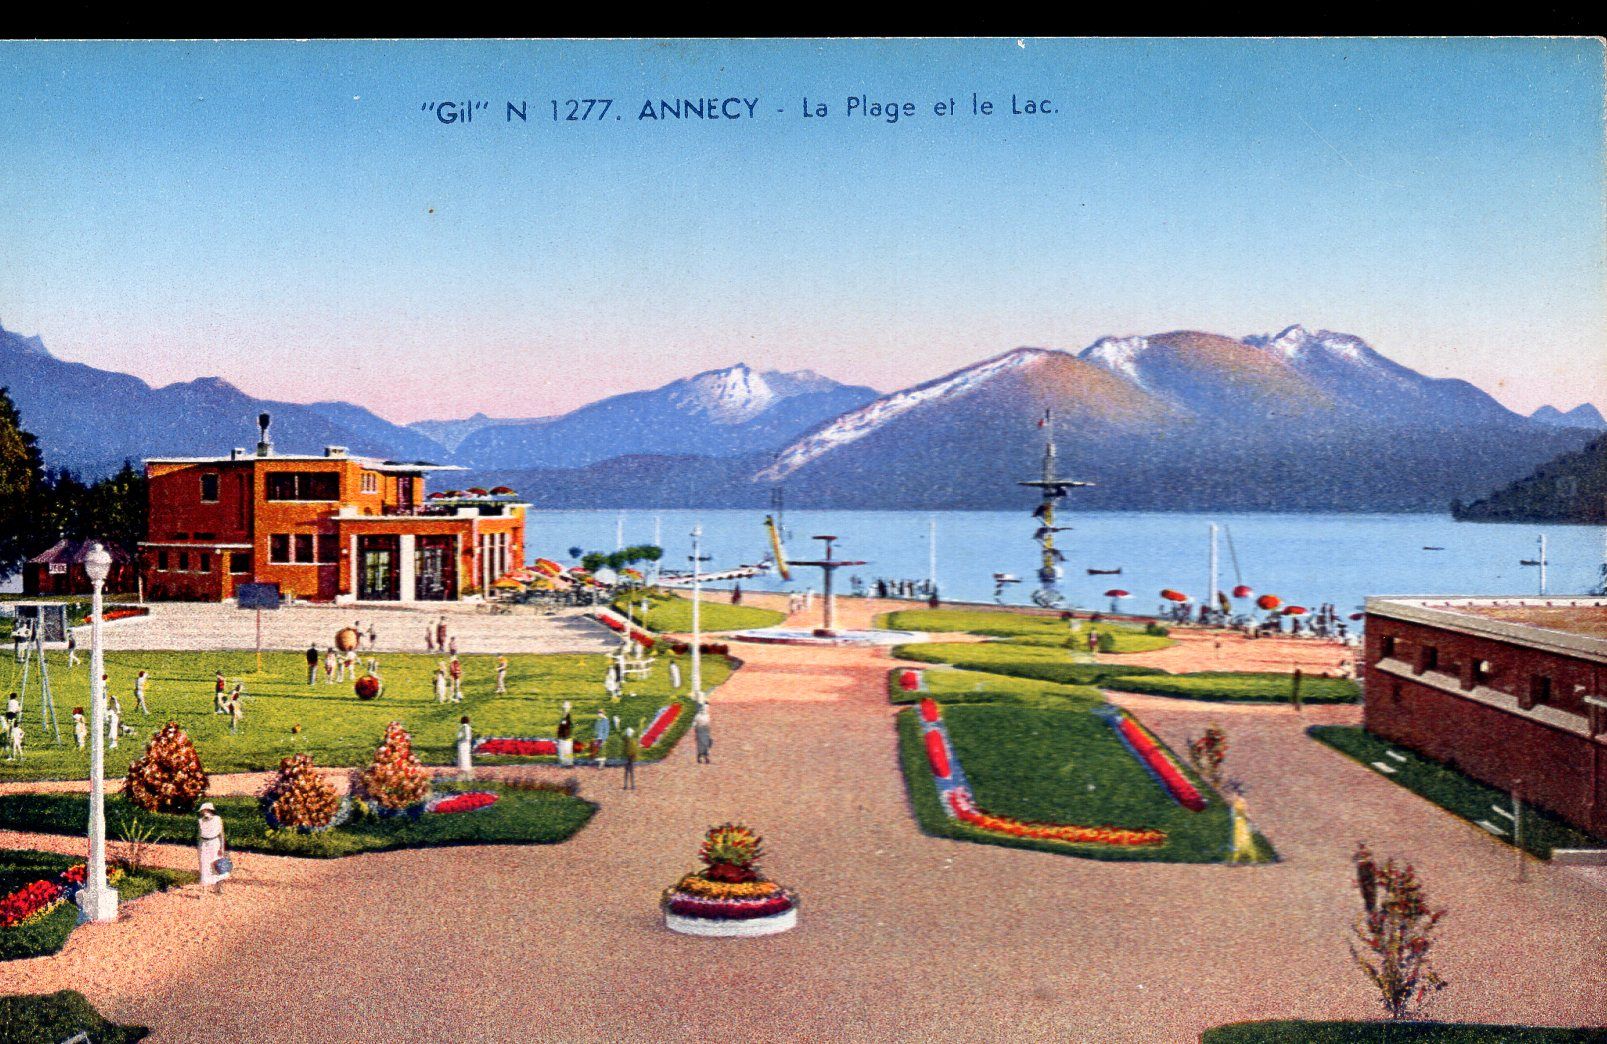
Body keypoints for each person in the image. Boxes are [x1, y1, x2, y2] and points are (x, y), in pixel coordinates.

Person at [197, 803, 229, 894]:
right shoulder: (200, 821)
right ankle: (204, 890)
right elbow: (200, 835)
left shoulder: (217, 819)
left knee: (217, 864)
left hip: (215, 843)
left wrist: (222, 848)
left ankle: (219, 887)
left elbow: (221, 834)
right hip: (204, 844)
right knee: (204, 865)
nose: (204, 812)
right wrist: (200, 847)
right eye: (203, 810)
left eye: (206, 810)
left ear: (210, 810)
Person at [556, 701, 574, 767]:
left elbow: (571, 725)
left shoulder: (570, 716)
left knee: (568, 750)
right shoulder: (563, 716)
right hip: (562, 736)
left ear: (569, 707)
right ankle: (564, 763)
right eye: (565, 707)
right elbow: (561, 726)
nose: (565, 708)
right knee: (563, 749)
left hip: (568, 736)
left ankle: (569, 764)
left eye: (567, 707)